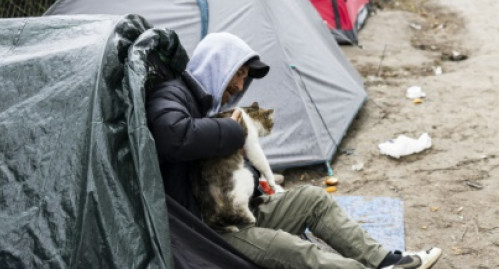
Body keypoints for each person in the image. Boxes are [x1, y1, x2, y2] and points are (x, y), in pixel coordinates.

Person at [146, 31, 442, 269]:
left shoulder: (207, 103)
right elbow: (173, 137)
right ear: (217, 64)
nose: (239, 85)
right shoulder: (171, 95)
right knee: (296, 251)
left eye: (244, 77)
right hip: (210, 231)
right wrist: (235, 131)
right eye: (238, 74)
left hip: (239, 212)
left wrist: (257, 184)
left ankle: (385, 261)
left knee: (313, 199)